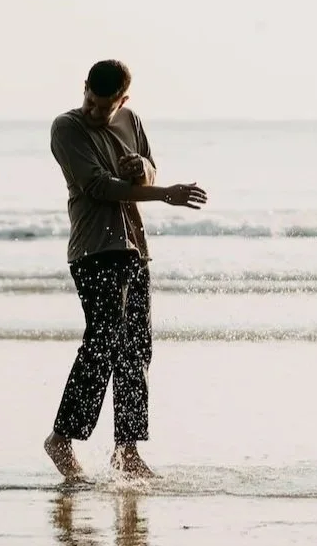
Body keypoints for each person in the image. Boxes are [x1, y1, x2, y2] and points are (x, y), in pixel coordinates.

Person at [44, 59, 208, 481]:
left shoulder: (131, 120)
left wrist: (143, 170)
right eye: (91, 102)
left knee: (136, 349)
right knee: (102, 341)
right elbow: (96, 187)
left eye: (106, 107)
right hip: (94, 250)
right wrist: (163, 194)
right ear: (84, 90)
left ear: (124, 100)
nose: (96, 113)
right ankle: (61, 439)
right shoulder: (67, 128)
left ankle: (127, 451)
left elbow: (151, 168)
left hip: (135, 248)